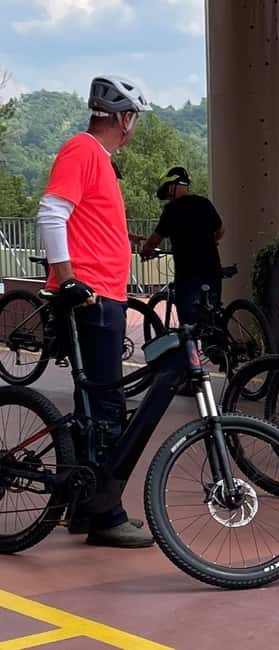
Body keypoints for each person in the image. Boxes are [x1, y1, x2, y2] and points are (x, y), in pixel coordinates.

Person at [35, 75, 154, 547]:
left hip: (103, 294)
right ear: (125, 119)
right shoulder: (83, 150)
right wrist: (67, 279)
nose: (134, 128)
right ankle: (105, 515)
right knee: (104, 409)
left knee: (100, 406)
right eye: (135, 120)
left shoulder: (98, 158)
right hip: (89, 296)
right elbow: (51, 211)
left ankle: (88, 508)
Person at [141, 166, 224, 327]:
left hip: (188, 272)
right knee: (212, 315)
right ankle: (217, 349)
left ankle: (189, 349)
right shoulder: (204, 203)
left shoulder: (172, 209)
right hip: (212, 267)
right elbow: (220, 230)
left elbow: (155, 238)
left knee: (188, 323)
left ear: (172, 186)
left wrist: (146, 250)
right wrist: (208, 241)